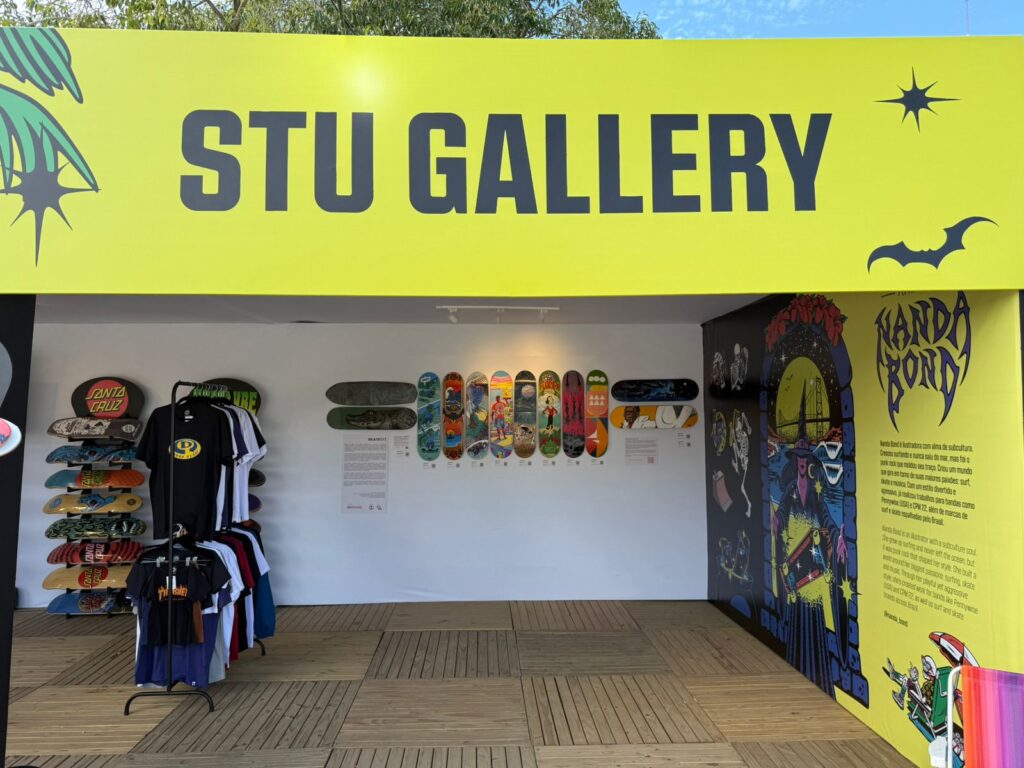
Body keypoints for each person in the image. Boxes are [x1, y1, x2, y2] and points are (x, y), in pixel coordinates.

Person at [774, 383, 846, 696]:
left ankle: (815, 672)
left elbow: (827, 518)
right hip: (797, 563)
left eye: (805, 458)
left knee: (814, 620)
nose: (802, 462)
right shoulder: (791, 491)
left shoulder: (815, 493)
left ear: (808, 461)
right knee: (798, 619)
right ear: (795, 461)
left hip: (813, 572)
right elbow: (781, 516)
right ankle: (796, 665)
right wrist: (777, 521)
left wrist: (838, 535)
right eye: (799, 458)